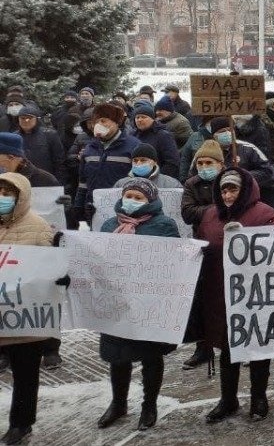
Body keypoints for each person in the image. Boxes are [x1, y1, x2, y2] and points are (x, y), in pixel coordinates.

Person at [196, 168, 274, 424]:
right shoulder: (210, 215)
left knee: (256, 347)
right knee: (228, 348)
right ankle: (228, 399)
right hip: (219, 294)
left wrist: (245, 239)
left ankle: (259, 398)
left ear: (244, 190)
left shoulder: (265, 214)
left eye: (232, 189)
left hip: (255, 295)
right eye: (223, 189)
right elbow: (200, 245)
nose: (228, 194)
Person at [95, 179, 179, 431]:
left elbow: (175, 261)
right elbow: (98, 259)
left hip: (148, 303)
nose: (131, 200)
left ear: (150, 200)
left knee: (150, 357)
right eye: (128, 195)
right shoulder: (110, 224)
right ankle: (118, 403)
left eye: (138, 197)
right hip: (118, 302)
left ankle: (149, 405)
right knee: (117, 356)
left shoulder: (164, 225)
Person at [0, 172, 59, 445]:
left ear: (20, 196)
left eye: (7, 194)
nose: (2, 199)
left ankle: (21, 423)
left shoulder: (39, 226)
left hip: (25, 318)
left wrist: (59, 273)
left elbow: (50, 268)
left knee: (25, 374)